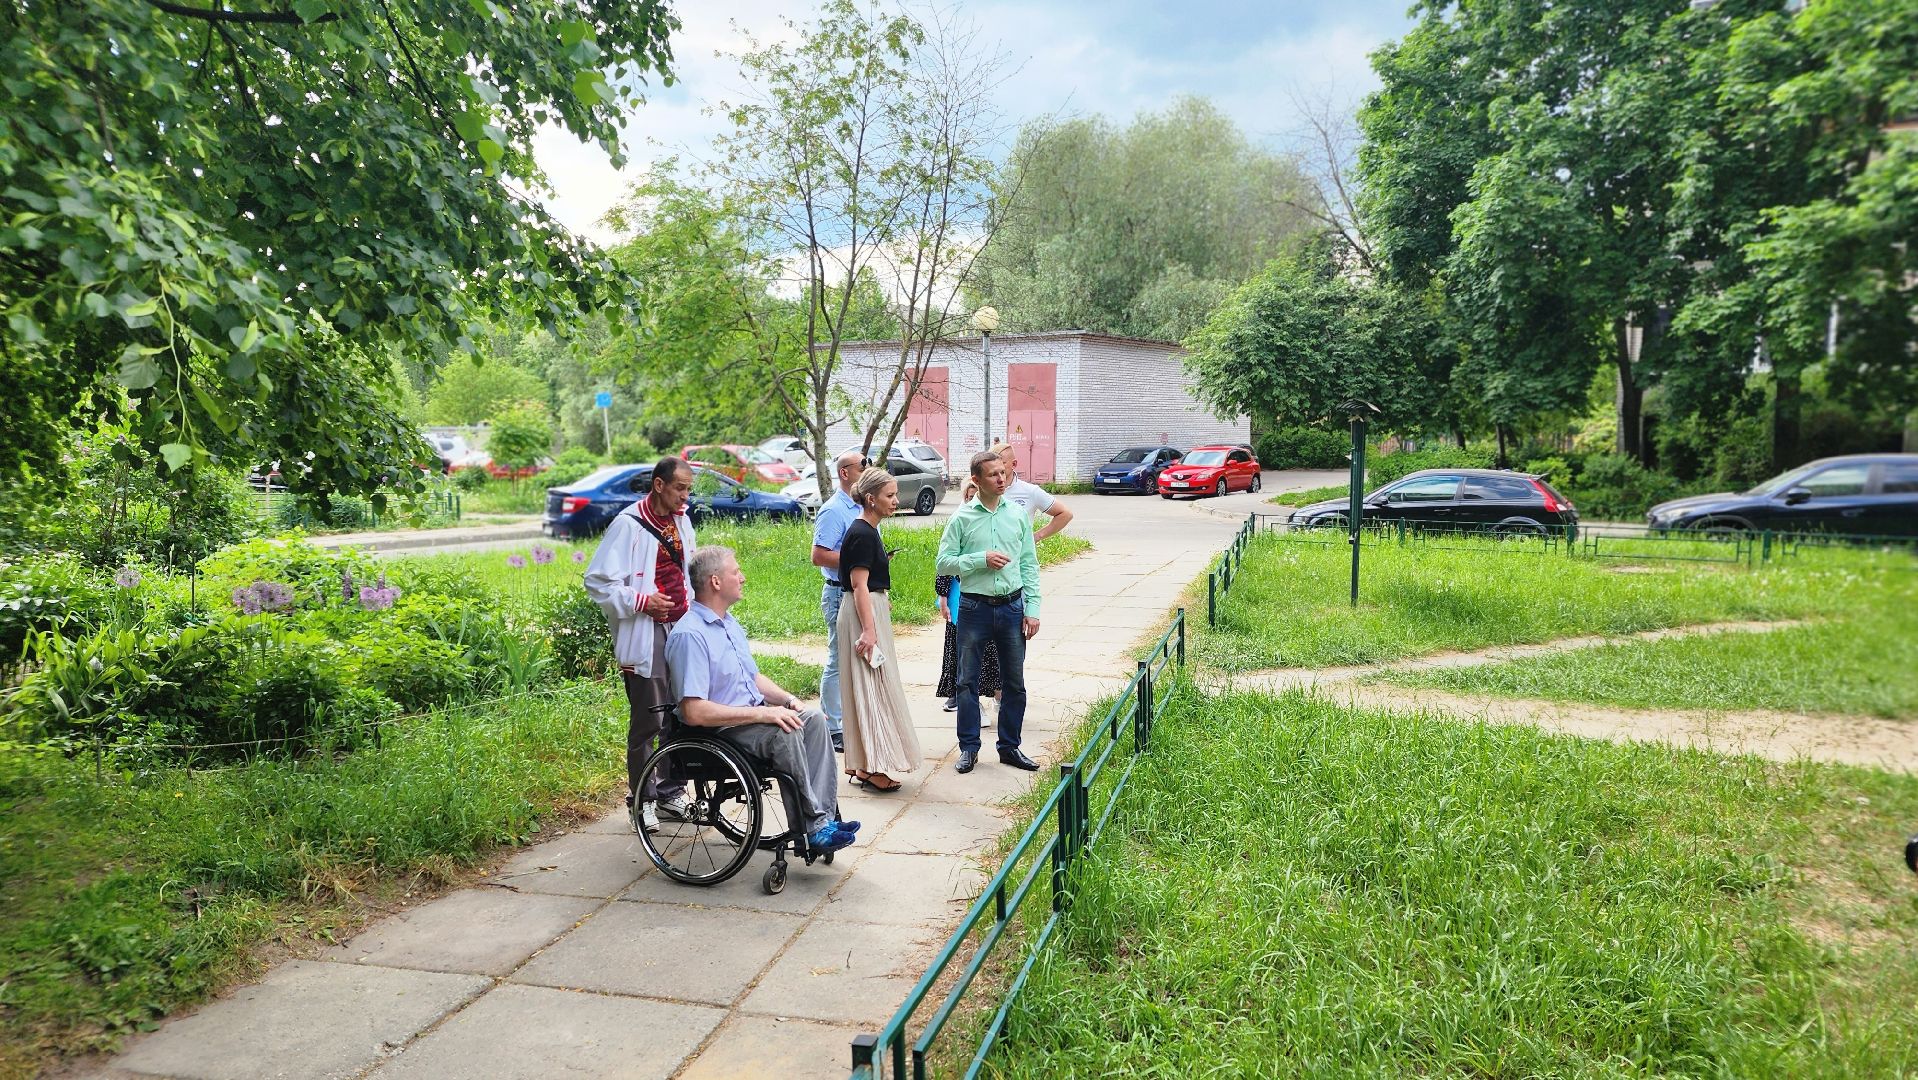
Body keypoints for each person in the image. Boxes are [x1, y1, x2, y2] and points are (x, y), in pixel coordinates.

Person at [667, 545, 858, 854]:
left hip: (749, 719)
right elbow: (693, 711)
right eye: (735, 572)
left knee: (812, 719)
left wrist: (787, 700)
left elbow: (753, 677)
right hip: (721, 731)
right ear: (716, 582)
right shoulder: (691, 635)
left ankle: (822, 821)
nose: (742, 577)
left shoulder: (728, 624)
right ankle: (811, 830)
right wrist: (763, 715)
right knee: (786, 732)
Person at [583, 457, 696, 834]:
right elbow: (598, 582)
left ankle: (670, 790)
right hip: (646, 636)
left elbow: (685, 572)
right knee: (649, 719)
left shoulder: (681, 520)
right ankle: (642, 799)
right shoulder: (628, 525)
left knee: (681, 714)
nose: (685, 496)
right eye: (679, 488)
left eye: (689, 489)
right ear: (659, 485)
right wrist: (642, 601)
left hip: (681, 630)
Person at [937, 451, 1042, 774]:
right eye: (993, 474)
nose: (1001, 479)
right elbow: (943, 563)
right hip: (974, 607)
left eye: (1004, 472)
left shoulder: (1017, 515)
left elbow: (1029, 564)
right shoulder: (962, 518)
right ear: (976, 481)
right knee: (966, 682)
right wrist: (979, 559)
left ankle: (1010, 747)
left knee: (1014, 682)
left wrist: (1033, 609)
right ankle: (969, 748)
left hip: (1012, 607)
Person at [837, 467, 925, 792]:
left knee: (869, 687)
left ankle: (863, 765)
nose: (895, 501)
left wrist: (879, 599)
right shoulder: (861, 532)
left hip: (868, 610)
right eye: (890, 496)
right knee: (869, 688)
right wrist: (869, 630)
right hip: (863, 616)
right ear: (871, 499)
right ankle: (871, 768)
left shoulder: (868, 530)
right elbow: (858, 586)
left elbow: (866, 583)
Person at [810, 449, 868, 753]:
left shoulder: (860, 507)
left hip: (860, 591)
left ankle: (849, 719)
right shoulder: (834, 510)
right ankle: (832, 727)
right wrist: (858, 558)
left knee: (859, 656)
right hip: (838, 592)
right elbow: (819, 555)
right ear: (845, 473)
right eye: (862, 466)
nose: (867, 469)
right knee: (838, 658)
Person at [991, 440, 1076, 541]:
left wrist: (1036, 537)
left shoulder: (1030, 491)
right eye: (992, 465)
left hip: (1020, 555)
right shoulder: (981, 490)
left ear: (1014, 464)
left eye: (1002, 463)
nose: (996, 468)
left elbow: (1065, 514)